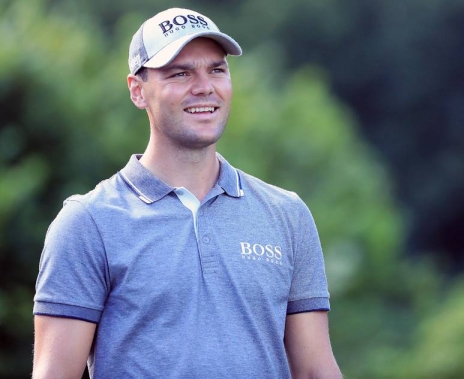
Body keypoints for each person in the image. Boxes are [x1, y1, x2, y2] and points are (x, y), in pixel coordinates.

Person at [32, 7, 342, 379]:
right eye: (180, 73)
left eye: (216, 69)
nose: (204, 86)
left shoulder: (287, 215)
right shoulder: (87, 223)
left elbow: (314, 370)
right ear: (137, 90)